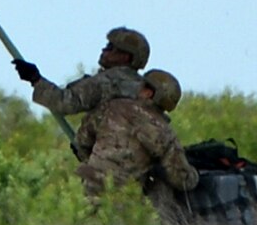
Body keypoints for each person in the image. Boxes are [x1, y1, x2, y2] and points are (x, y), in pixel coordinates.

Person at [73, 67, 197, 214]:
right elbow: (180, 178)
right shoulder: (163, 131)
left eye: (142, 86)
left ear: (149, 92)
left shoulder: (111, 107)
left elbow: (82, 141)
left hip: (88, 189)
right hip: (126, 202)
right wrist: (195, 176)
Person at [13, 26, 149, 118]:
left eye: (110, 47)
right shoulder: (144, 88)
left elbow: (65, 103)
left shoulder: (108, 81)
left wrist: (35, 79)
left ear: (125, 57)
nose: (104, 50)